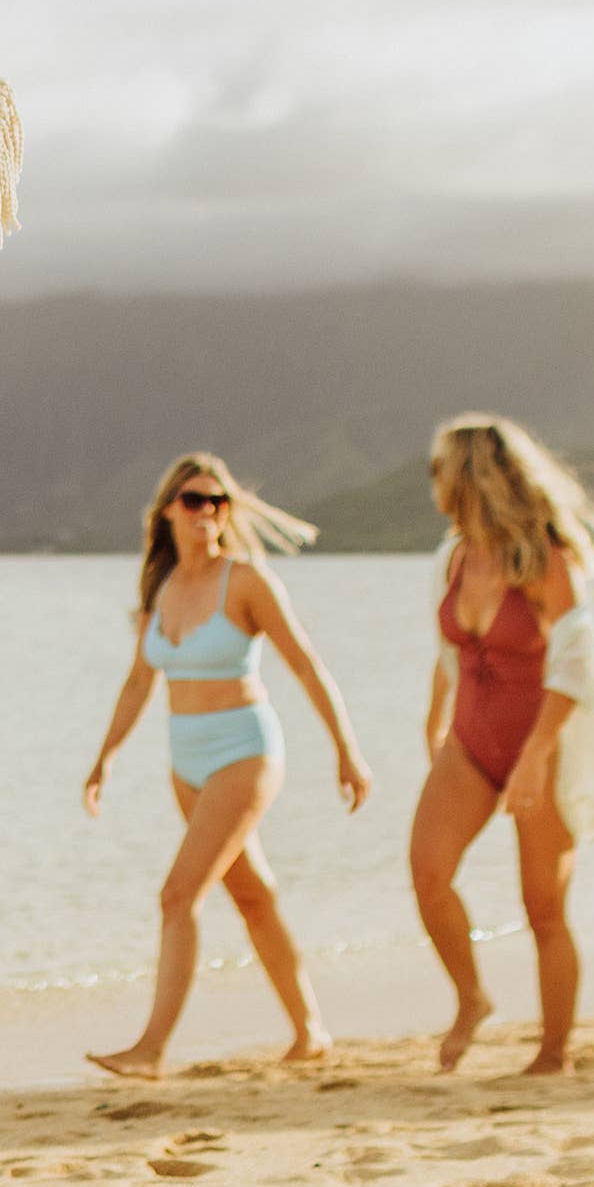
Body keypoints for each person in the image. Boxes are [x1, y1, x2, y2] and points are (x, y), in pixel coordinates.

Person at [82, 454, 374, 1080]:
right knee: (252, 896)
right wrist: (105, 756)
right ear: (169, 509)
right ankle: (310, 1032)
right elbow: (138, 682)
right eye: (194, 500)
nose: (207, 512)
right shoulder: (159, 589)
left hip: (244, 751)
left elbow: (305, 665)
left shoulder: (245, 582)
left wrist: (346, 749)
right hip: (185, 760)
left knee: (177, 894)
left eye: (219, 502)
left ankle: (150, 1050)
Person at [407, 413, 594, 1076]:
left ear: (469, 476)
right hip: (471, 742)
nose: (432, 481)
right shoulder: (453, 557)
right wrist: (433, 719)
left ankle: (553, 1054)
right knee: (428, 873)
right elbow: (450, 648)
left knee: (544, 909)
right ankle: (471, 997)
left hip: (543, 747)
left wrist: (535, 756)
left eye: (439, 468)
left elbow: (577, 662)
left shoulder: (544, 557)